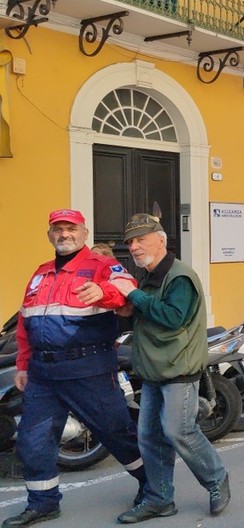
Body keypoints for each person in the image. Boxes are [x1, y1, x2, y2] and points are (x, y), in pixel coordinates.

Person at [5, 209, 149, 528]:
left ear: (84, 233)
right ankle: (42, 503)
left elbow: (126, 292)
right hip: (43, 373)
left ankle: (151, 484)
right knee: (32, 440)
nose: (64, 234)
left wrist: (104, 292)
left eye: (71, 228)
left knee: (116, 431)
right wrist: (23, 364)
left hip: (89, 368)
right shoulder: (41, 273)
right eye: (58, 229)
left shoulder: (101, 266)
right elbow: (26, 322)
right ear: (49, 235)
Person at [110, 213, 229, 523]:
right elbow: (147, 316)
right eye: (130, 242)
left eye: (141, 239)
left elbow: (173, 317)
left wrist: (133, 295)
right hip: (153, 370)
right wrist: (128, 309)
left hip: (178, 369)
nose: (134, 247)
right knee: (149, 436)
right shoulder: (149, 276)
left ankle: (217, 481)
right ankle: (160, 498)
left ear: (161, 240)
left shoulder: (179, 277)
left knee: (179, 431)